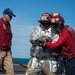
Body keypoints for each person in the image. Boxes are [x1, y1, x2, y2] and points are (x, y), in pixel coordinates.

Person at [0, 8, 16, 75]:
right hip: (0, 50)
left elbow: (10, 37)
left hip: (7, 51)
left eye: (11, 16)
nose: (11, 17)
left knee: (10, 70)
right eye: (9, 16)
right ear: (4, 15)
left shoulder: (9, 25)